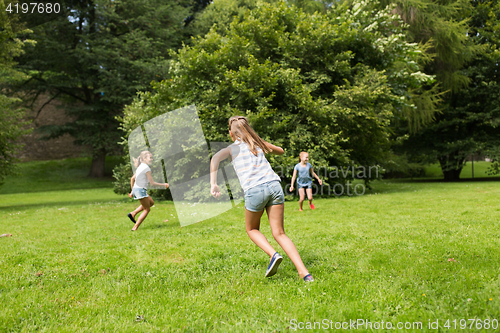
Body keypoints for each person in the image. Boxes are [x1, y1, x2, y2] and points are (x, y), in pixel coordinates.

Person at [210, 116, 313, 282]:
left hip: (255, 190)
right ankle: (304, 273)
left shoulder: (232, 149)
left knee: (251, 229)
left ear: (231, 133)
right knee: (279, 233)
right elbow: (280, 150)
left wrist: (213, 183)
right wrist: (260, 141)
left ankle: (274, 254)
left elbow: (215, 158)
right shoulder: (257, 143)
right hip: (274, 186)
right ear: (247, 129)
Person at [127, 151, 169, 231]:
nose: (152, 159)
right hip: (140, 190)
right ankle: (135, 228)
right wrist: (164, 185)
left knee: (151, 202)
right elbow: (152, 183)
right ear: (144, 158)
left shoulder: (140, 166)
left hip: (137, 189)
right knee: (147, 209)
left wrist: (132, 191)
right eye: (150, 158)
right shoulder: (146, 168)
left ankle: (133, 213)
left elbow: (132, 179)